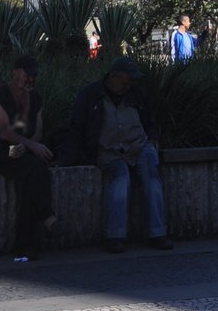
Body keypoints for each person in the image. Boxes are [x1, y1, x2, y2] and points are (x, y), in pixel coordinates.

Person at [67, 56, 172, 254]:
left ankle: (158, 233)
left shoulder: (136, 94)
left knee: (152, 175)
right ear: (113, 77)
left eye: (130, 82)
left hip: (139, 146)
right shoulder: (91, 95)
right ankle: (115, 235)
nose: (128, 86)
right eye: (125, 81)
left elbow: (149, 120)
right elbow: (77, 128)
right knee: (120, 178)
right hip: (110, 150)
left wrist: (153, 138)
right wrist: (69, 157)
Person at [0, 54, 56, 262]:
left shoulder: (36, 98)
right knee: (35, 169)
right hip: (3, 151)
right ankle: (46, 216)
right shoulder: (0, 96)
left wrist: (30, 146)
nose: (30, 80)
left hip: (26, 153)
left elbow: (38, 130)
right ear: (16, 73)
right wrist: (31, 146)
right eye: (27, 75)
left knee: (32, 175)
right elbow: (5, 132)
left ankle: (25, 244)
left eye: (34, 76)